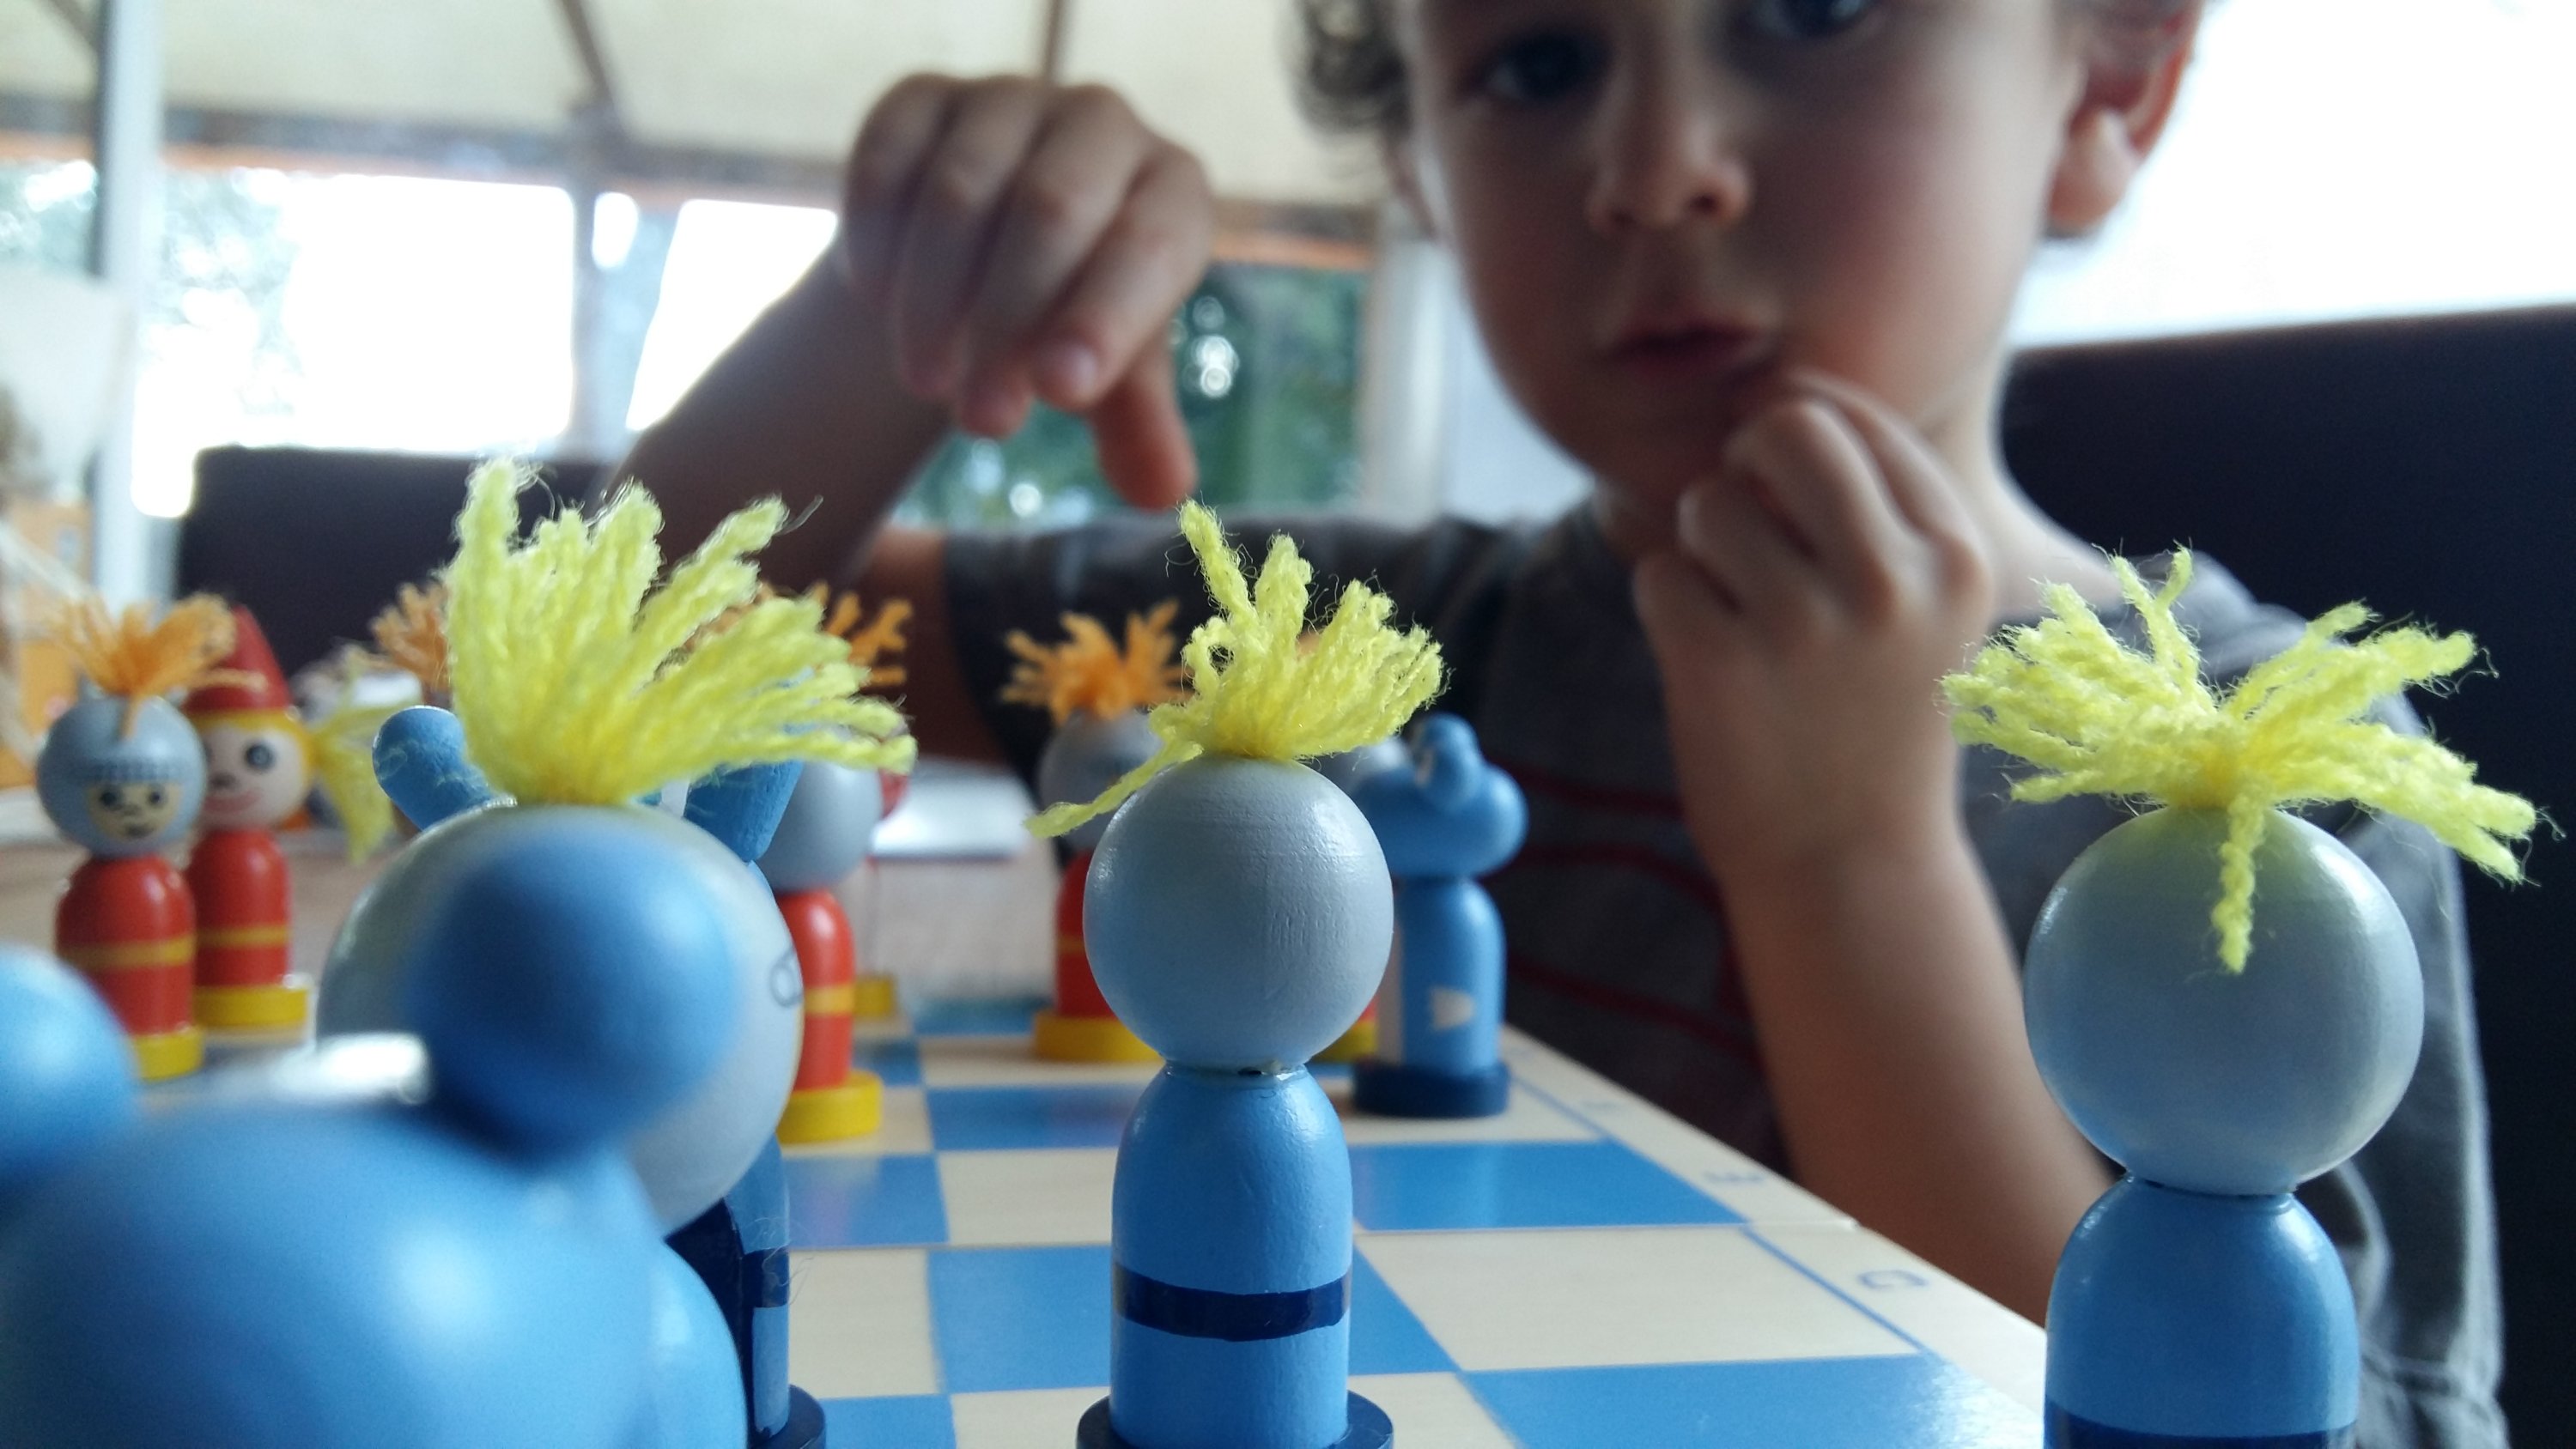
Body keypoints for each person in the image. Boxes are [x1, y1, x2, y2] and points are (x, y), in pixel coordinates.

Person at [617, 3, 2503, 1441]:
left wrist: (1846, 859)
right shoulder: (1348, 650)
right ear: (1418, 168)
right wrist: (896, 311)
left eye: (1815, 7)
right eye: (1535, 60)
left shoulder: (2280, 775)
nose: (1656, 167)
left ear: (2112, 78)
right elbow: (611, 663)